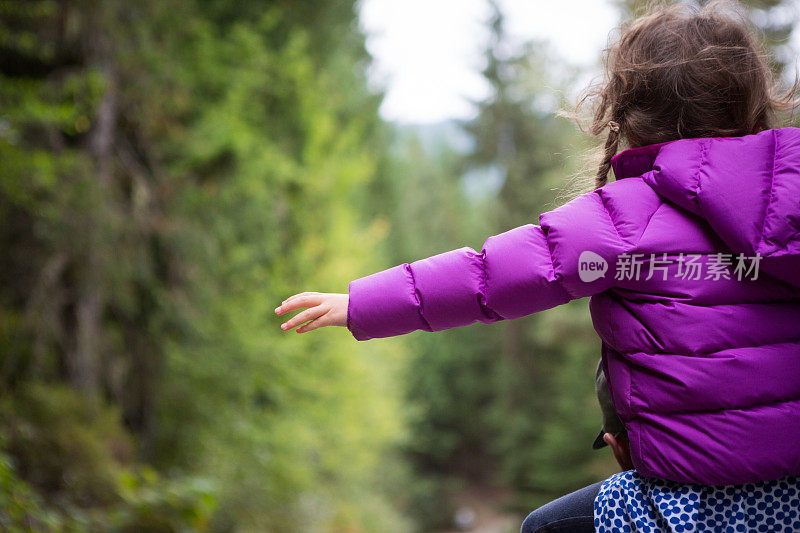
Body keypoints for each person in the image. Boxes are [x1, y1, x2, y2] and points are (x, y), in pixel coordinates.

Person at [275, 0, 800, 530]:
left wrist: (362, 304)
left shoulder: (627, 217)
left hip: (687, 502)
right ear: (751, 99)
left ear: (627, 110)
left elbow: (488, 276)